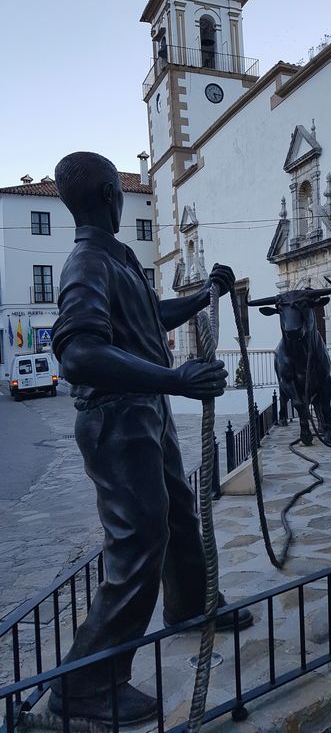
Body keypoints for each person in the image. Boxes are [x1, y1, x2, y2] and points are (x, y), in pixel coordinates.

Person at [48, 152, 251, 724]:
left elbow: (149, 318)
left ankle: (189, 606)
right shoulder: (86, 263)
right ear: (114, 196)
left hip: (146, 414)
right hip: (117, 421)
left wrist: (205, 295)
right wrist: (174, 379)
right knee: (138, 543)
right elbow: (80, 353)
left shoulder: (119, 259)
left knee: (178, 515)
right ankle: (83, 685)